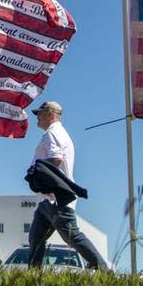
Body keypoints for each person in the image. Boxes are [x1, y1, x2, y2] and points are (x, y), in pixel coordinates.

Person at [26, 100, 108, 271]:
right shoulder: (59, 133)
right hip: (46, 200)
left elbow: (55, 158)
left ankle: (102, 268)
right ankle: (32, 274)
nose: (37, 118)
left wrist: (36, 173)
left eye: (39, 114)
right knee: (36, 237)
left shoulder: (52, 133)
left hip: (55, 197)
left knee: (71, 235)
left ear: (49, 113)